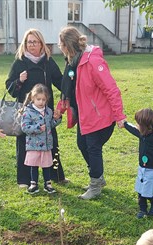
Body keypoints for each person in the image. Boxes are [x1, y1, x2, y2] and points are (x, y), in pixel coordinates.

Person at [58, 26, 126, 199]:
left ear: (67, 45)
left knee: (93, 148)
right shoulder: (72, 61)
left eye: (60, 44)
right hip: (84, 115)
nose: (60, 48)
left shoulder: (93, 62)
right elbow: (69, 88)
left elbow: (111, 89)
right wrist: (61, 108)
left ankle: (95, 185)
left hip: (99, 115)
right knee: (82, 145)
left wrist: (119, 116)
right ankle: (98, 176)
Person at [5, 28, 65, 187]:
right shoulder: (20, 62)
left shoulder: (48, 61)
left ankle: (56, 176)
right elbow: (10, 88)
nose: (31, 45)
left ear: (41, 44)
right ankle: (25, 180)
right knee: (24, 144)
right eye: (28, 42)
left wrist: (69, 93)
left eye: (34, 42)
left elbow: (60, 81)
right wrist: (19, 80)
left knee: (52, 143)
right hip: (26, 112)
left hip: (46, 111)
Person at [21, 83, 61, 194]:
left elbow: (51, 125)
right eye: (38, 99)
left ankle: (47, 183)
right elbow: (24, 127)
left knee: (46, 164)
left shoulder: (48, 111)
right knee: (33, 164)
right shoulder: (28, 112)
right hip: (33, 144)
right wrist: (37, 128)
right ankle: (33, 183)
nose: (41, 102)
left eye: (44, 100)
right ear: (33, 98)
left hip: (46, 144)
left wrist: (57, 119)